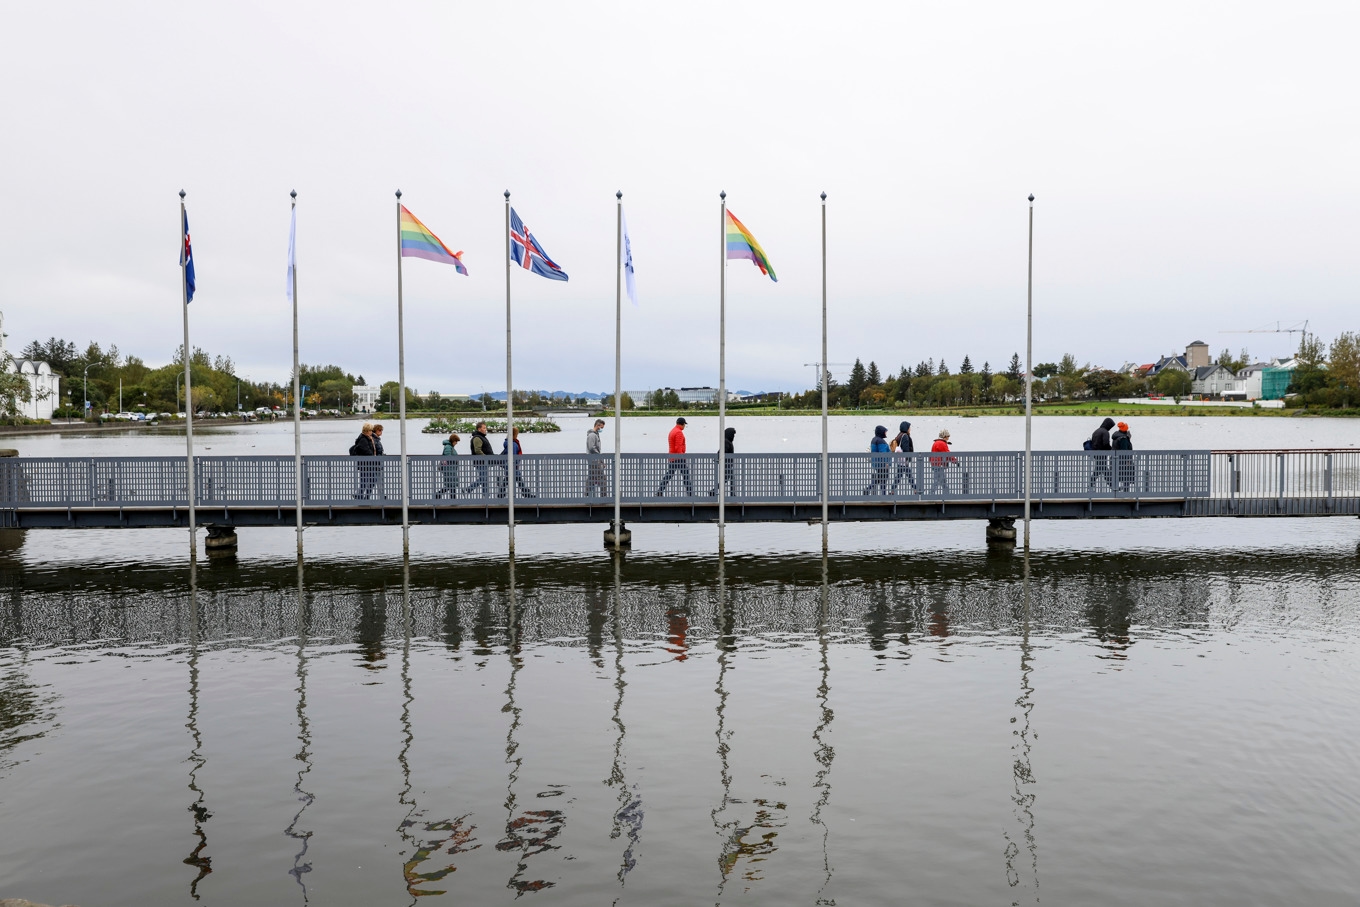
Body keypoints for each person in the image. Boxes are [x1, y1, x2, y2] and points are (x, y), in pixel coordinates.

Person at [655, 417, 692, 497]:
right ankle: (690, 494)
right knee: (686, 475)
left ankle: (659, 491)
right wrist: (682, 457)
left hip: (672, 457)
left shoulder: (673, 431)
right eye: (684, 424)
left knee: (669, 475)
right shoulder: (679, 432)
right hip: (678, 458)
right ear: (682, 424)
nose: (684, 426)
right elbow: (678, 447)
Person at [498, 427, 536, 498]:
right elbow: (514, 456)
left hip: (509, 465)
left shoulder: (509, 442)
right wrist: (515, 464)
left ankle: (501, 493)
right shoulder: (513, 444)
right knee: (517, 479)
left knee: (508, 479)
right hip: (512, 465)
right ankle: (525, 493)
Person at [462, 421, 494, 497]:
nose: (486, 429)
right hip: (480, 462)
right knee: (483, 478)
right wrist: (485, 458)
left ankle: (485, 495)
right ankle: (468, 489)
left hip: (483, 462)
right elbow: (477, 450)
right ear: (479, 429)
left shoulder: (481, 437)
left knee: (484, 478)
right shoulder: (477, 438)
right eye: (484, 428)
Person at [888, 420, 919, 495]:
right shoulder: (905, 436)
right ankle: (915, 490)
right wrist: (907, 458)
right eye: (909, 427)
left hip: (900, 459)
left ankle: (892, 490)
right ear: (906, 428)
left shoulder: (899, 435)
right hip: (904, 460)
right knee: (908, 475)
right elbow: (905, 449)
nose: (910, 429)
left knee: (900, 475)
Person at [351, 422, 378, 499]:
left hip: (369, 464)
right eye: (370, 430)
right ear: (366, 430)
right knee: (366, 481)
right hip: (365, 464)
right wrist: (374, 458)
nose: (371, 432)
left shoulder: (368, 438)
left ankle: (363, 496)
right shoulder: (363, 439)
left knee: (369, 480)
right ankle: (362, 496)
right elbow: (366, 450)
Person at [1088, 417, 1115, 491]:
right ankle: (1113, 486)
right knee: (1103, 469)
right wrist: (1112, 450)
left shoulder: (1096, 431)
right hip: (1102, 454)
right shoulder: (1105, 432)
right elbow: (1106, 444)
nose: (1110, 428)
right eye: (1110, 426)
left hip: (1095, 454)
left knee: (1099, 469)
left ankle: (1090, 485)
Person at [863, 425, 891, 495]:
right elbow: (883, 453)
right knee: (883, 479)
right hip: (882, 464)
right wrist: (887, 463)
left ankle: (870, 489)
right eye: (885, 432)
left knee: (880, 477)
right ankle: (881, 493)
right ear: (881, 432)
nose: (886, 433)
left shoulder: (874, 439)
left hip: (876, 463)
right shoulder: (881, 441)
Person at [928, 429, 957, 494]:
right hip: (939, 465)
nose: (948, 438)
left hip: (935, 464)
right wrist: (955, 461)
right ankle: (933, 494)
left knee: (940, 480)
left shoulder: (935, 443)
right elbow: (948, 454)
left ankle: (943, 494)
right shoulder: (942, 443)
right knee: (940, 481)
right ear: (945, 436)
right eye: (948, 437)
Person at [710, 426, 737, 496]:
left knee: (727, 479)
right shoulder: (726, 442)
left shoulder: (726, 441)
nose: (734, 436)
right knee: (728, 479)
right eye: (733, 434)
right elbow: (723, 451)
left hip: (726, 464)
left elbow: (720, 451)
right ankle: (732, 494)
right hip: (726, 464)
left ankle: (714, 491)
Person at [586, 419, 608, 497]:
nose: (601, 429)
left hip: (594, 460)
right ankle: (603, 497)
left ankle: (587, 495)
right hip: (594, 460)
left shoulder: (595, 434)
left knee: (591, 478)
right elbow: (592, 448)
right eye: (601, 427)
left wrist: (601, 461)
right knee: (602, 479)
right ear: (597, 425)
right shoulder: (592, 435)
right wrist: (599, 458)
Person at [1111, 420, 1135, 491]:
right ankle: (1126, 492)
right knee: (1126, 477)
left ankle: (1116, 491)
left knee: (1117, 476)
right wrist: (1128, 461)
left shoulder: (1116, 436)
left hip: (1115, 460)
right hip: (1123, 462)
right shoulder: (1123, 439)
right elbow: (1125, 451)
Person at [436, 433, 460, 499]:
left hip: (451, 469)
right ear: (453, 441)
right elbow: (448, 457)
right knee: (451, 484)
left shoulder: (450, 447)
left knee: (451, 484)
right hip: (449, 469)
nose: (456, 443)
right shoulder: (448, 447)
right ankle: (440, 495)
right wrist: (455, 460)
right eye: (456, 441)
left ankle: (452, 499)